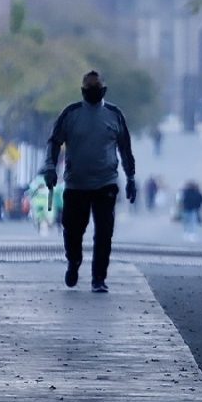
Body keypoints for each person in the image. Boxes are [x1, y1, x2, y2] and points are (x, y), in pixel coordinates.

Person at [42, 70, 137, 293]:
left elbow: (125, 148)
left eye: (97, 88)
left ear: (103, 90)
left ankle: (98, 278)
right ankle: (74, 261)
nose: (93, 92)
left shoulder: (114, 115)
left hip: (106, 183)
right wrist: (50, 167)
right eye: (89, 88)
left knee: (104, 232)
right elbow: (54, 142)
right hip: (76, 184)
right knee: (73, 230)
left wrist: (130, 176)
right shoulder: (71, 113)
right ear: (82, 91)